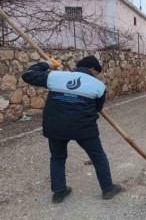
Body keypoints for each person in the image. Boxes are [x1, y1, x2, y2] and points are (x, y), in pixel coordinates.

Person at [22, 55, 122, 203]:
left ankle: (59, 192)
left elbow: (27, 75)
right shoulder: (99, 86)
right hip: (84, 129)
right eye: (97, 72)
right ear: (92, 69)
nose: (96, 76)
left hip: (55, 127)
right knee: (98, 157)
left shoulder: (55, 76)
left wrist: (47, 64)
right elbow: (97, 108)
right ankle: (108, 189)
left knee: (57, 157)